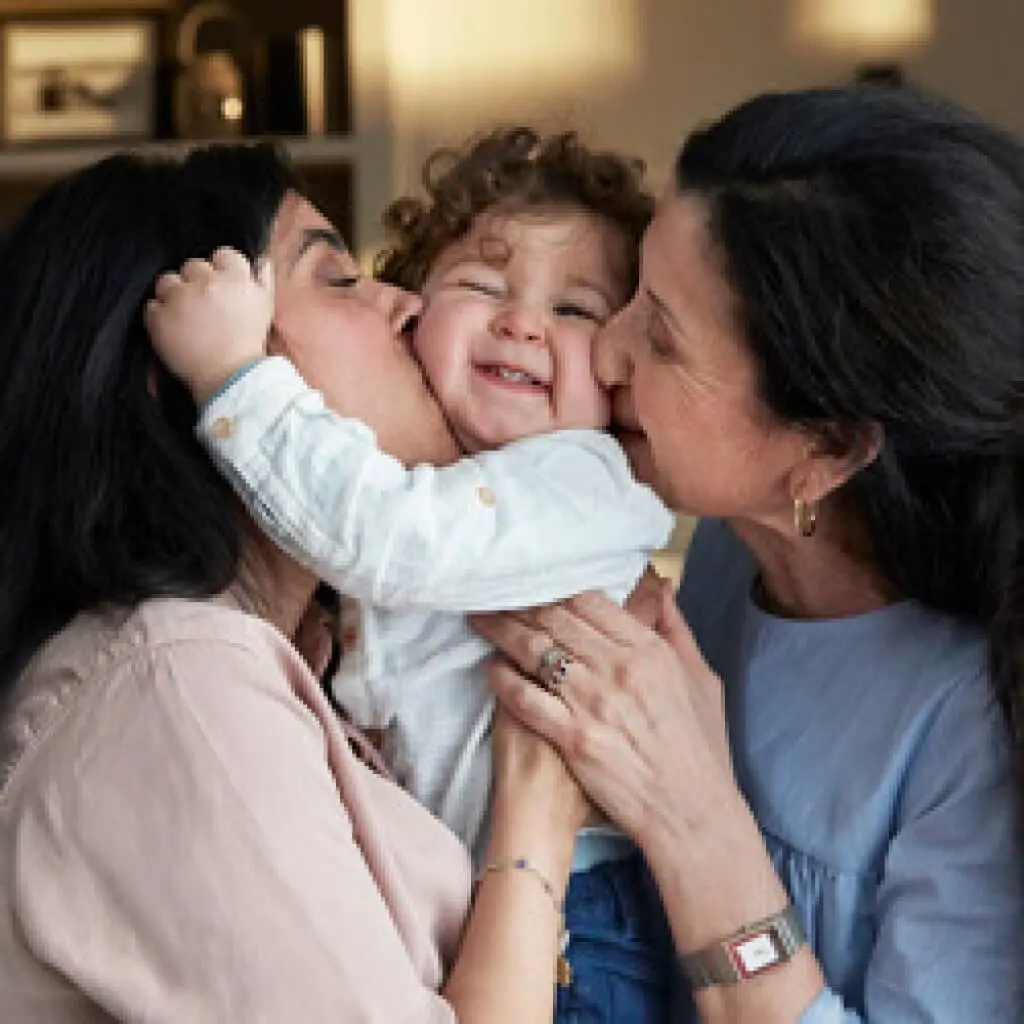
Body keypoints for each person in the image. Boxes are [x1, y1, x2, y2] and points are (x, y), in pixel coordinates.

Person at [0, 142, 596, 1022]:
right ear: (187, 369)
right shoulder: (181, 691)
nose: (407, 307)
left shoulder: (307, 656)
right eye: (340, 279)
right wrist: (536, 822)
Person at [471, 86, 1024, 1021]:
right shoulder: (729, 548)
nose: (605, 352)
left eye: (663, 337)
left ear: (826, 450)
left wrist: (697, 821)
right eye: (636, 294)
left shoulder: (975, 728)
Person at [146, 128, 679, 1021]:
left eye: (577, 310)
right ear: (414, 308)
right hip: (490, 903)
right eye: (479, 285)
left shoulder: (586, 480)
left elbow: (385, 542)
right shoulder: (430, 486)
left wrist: (234, 376)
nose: (522, 322)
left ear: (623, 367)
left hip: (589, 925)